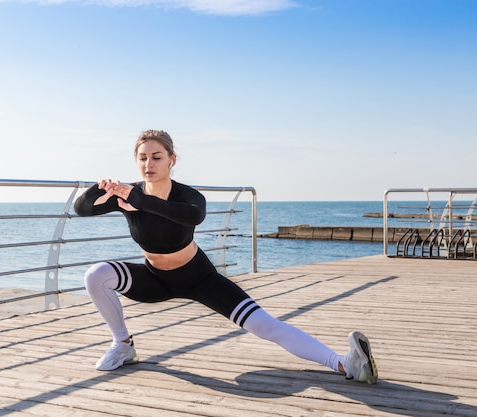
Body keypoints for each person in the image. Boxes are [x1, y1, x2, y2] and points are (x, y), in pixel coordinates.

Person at [74, 129, 378, 384]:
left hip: (198, 278)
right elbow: (82, 209)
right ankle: (123, 345)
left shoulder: (185, 196)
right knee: (96, 275)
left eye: (156, 157)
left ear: (171, 160)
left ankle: (345, 364)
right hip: (154, 279)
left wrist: (138, 200)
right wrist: (100, 188)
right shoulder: (128, 195)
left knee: (265, 326)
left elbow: (195, 216)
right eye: (142, 158)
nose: (148, 164)